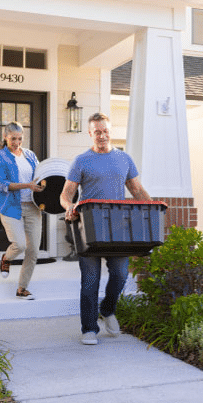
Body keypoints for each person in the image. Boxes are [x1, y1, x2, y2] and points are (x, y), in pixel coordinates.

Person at [60, 113, 152, 345]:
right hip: (88, 228)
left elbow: (137, 190)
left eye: (105, 131)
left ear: (111, 131)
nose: (102, 135)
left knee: (120, 274)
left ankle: (107, 309)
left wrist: (155, 211)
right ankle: (89, 328)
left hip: (117, 227)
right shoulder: (81, 161)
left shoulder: (124, 159)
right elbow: (66, 194)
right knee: (90, 280)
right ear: (90, 134)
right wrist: (69, 206)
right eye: (97, 132)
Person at [0, 121, 45, 300]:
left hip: (32, 207)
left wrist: (44, 184)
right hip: (11, 206)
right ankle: (6, 259)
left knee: (33, 250)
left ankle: (22, 288)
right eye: (13, 138)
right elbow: (3, 184)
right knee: (20, 245)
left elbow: (40, 175)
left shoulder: (30, 155)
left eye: (20, 138)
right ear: (5, 137)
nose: (16, 142)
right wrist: (27, 185)